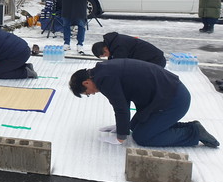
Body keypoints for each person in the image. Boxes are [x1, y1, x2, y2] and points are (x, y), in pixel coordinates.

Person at [69, 59, 219, 148]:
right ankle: (192, 127)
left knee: (143, 137)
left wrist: (120, 136)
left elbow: (120, 106)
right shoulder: (103, 71)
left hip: (173, 100)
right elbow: (123, 100)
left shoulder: (104, 79)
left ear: (86, 82)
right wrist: (123, 127)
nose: (92, 94)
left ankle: (193, 133)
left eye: (87, 92)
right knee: (134, 127)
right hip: (164, 96)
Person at [91, 32, 166, 68]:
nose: (106, 56)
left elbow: (119, 66)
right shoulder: (113, 43)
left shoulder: (119, 46)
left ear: (105, 49)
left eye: (104, 55)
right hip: (152, 59)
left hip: (156, 61)